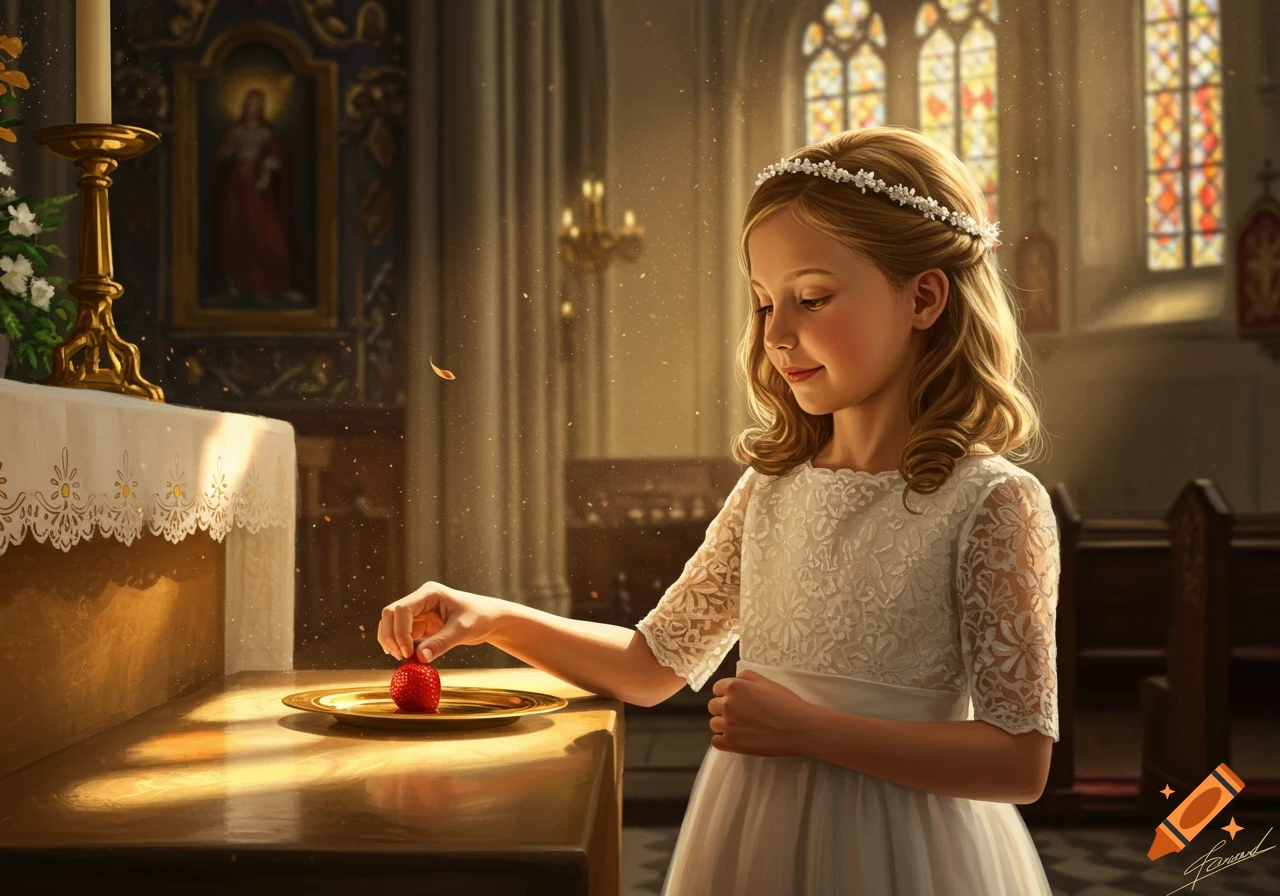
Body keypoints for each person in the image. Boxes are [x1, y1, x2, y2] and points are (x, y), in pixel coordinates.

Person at [378, 125, 1060, 895]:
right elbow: (650, 667)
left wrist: (808, 731)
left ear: (924, 296)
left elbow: (1019, 762)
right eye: (765, 302)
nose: (777, 334)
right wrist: (493, 617)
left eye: (811, 298)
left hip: (909, 852)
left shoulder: (993, 503)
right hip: (752, 835)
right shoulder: (772, 489)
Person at [212, 87, 293, 299]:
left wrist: (268, 168)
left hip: (259, 190)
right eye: (250, 103)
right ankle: (237, 283)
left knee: (264, 232)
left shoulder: (267, 134)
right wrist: (228, 155)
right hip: (236, 189)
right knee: (236, 231)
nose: (253, 108)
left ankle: (265, 283)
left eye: (258, 104)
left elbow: (278, 160)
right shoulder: (235, 133)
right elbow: (219, 159)